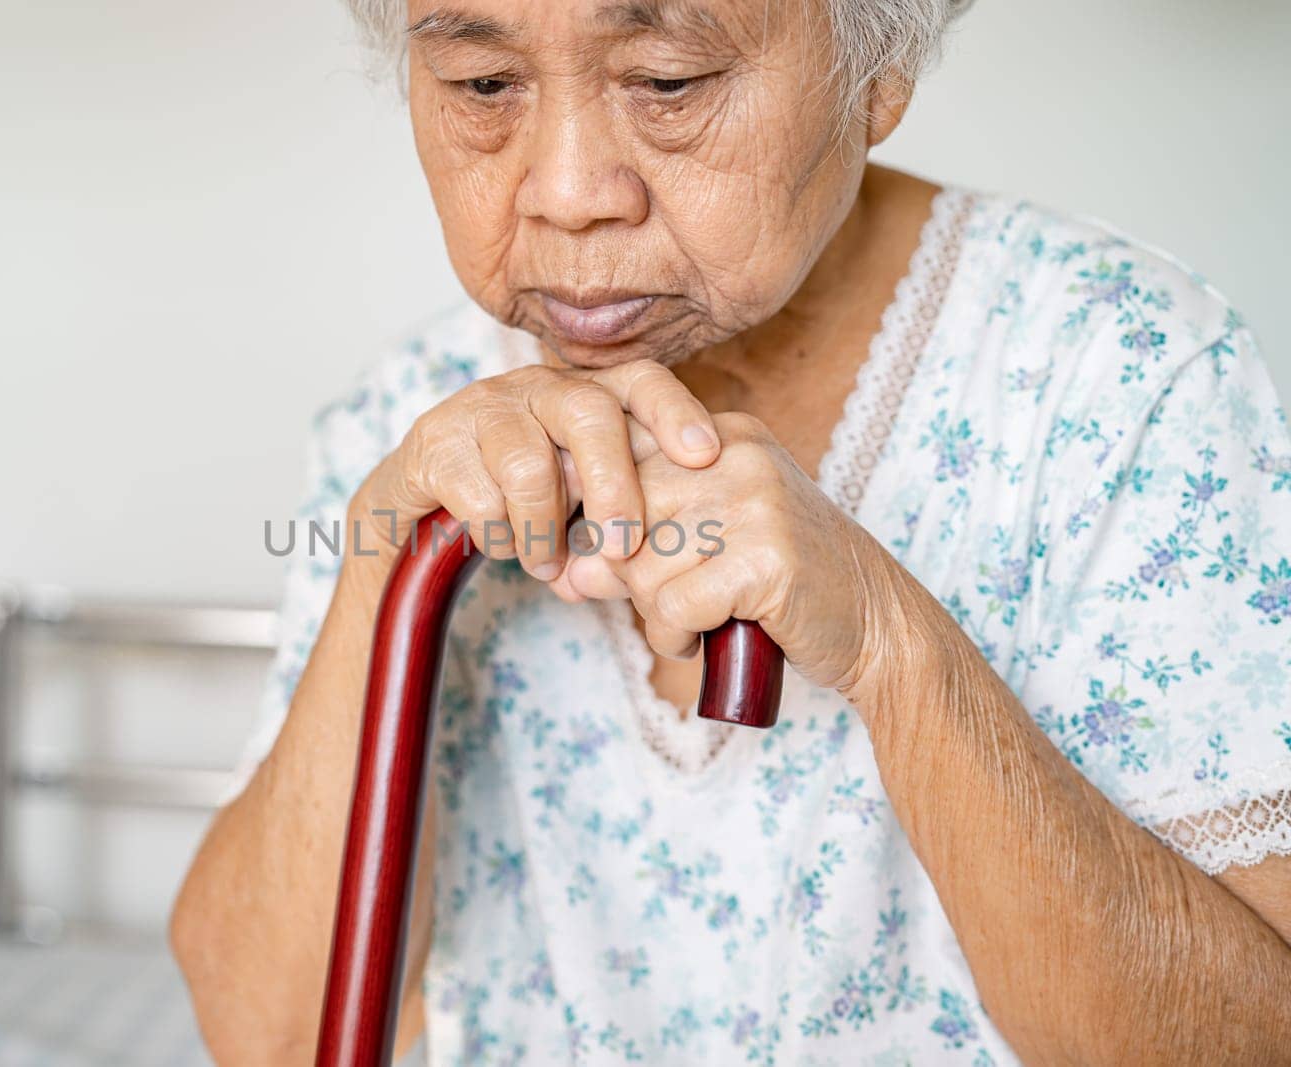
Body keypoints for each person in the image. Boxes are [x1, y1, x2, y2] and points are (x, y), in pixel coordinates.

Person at [172, 0, 1291, 1062]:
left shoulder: (1116, 368)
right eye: (481, 82)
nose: (565, 192)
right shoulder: (407, 411)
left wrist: (894, 648)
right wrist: (386, 552)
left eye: (667, 81)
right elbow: (266, 1037)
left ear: (878, 64)